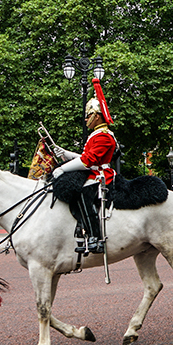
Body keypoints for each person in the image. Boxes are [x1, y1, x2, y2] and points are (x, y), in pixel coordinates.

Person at [51, 78, 116, 255]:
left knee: (83, 194)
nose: (86, 119)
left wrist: (63, 168)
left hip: (101, 175)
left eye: (88, 115)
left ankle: (96, 237)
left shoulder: (104, 136)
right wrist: (65, 153)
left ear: (96, 116)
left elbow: (89, 161)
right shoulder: (96, 135)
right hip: (93, 171)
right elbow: (86, 157)